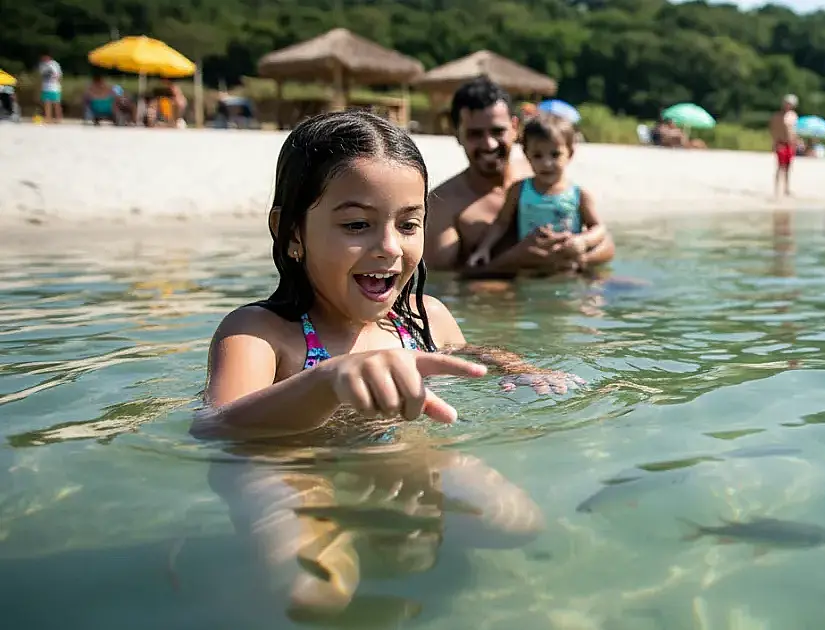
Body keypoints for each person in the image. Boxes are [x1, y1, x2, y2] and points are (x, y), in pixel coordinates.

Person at [194, 110, 580, 618]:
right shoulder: (261, 332)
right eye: (357, 224)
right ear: (290, 232)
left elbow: (467, 353)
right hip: (288, 470)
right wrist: (325, 382)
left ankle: (384, 529)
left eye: (409, 224)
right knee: (316, 594)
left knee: (515, 524)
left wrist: (519, 367)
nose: (389, 248)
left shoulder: (423, 320)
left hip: (400, 456)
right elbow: (216, 428)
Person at [425, 77, 615, 278]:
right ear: (457, 134)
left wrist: (576, 256)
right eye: (475, 134)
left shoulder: (541, 172)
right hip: (500, 302)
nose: (489, 144)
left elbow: (606, 245)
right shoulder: (442, 204)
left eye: (498, 131)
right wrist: (512, 261)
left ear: (515, 128)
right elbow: (444, 283)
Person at [466, 113, 607, 272]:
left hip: (569, 269)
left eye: (555, 155)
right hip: (530, 269)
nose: (546, 163)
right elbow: (501, 223)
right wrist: (484, 249)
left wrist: (583, 242)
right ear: (527, 155)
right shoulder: (519, 190)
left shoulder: (578, 194)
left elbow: (598, 228)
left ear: (570, 153)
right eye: (538, 155)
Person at [768, 94, 800, 197]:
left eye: (790, 104)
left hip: (791, 144)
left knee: (788, 167)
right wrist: (774, 142)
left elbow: (794, 130)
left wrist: (798, 141)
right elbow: (773, 130)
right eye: (787, 103)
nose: (788, 105)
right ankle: (777, 189)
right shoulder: (777, 116)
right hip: (781, 143)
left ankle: (786, 188)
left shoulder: (793, 115)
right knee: (780, 166)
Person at [38, 53, 63, 124]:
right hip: (45, 87)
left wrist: (57, 84)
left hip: (54, 87)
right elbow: (41, 76)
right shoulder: (42, 65)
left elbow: (59, 75)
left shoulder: (54, 64)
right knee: (46, 103)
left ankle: (58, 118)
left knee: (56, 104)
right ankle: (48, 118)